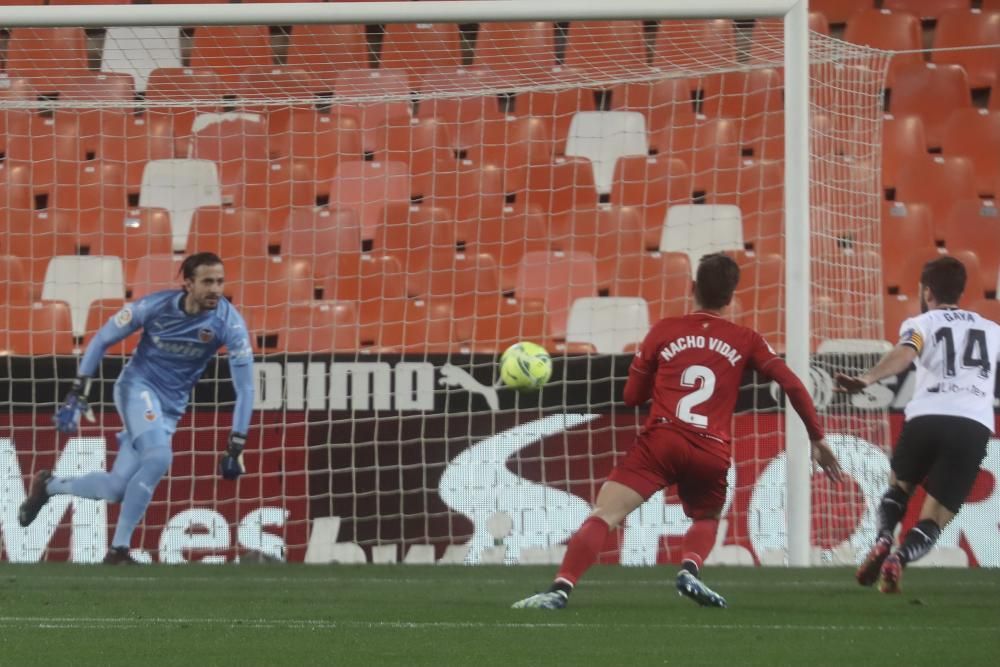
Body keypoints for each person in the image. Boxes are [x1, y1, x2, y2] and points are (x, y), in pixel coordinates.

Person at [513, 253, 843, 610]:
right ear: (731, 298)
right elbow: (793, 384)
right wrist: (817, 437)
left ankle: (560, 589)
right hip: (711, 449)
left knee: (604, 514)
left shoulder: (664, 331)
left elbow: (631, 396)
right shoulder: (747, 339)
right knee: (707, 516)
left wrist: (659, 379)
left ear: (692, 288)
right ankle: (690, 569)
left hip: (662, 440)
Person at [18, 252, 255, 564]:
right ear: (188, 284)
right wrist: (79, 391)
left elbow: (246, 387)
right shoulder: (154, 306)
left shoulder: (229, 323)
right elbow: (102, 339)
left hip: (170, 407)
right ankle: (119, 550)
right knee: (159, 457)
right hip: (136, 387)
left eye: (220, 281)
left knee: (117, 488)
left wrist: (236, 443)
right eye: (207, 281)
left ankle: (49, 486)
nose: (215, 289)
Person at [836, 256, 997, 593]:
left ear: (927, 292)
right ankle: (901, 557)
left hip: (927, 416)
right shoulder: (992, 330)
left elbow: (906, 353)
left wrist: (867, 378)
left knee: (898, 487)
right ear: (962, 290)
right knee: (936, 515)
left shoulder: (922, 323)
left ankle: (882, 538)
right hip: (971, 425)